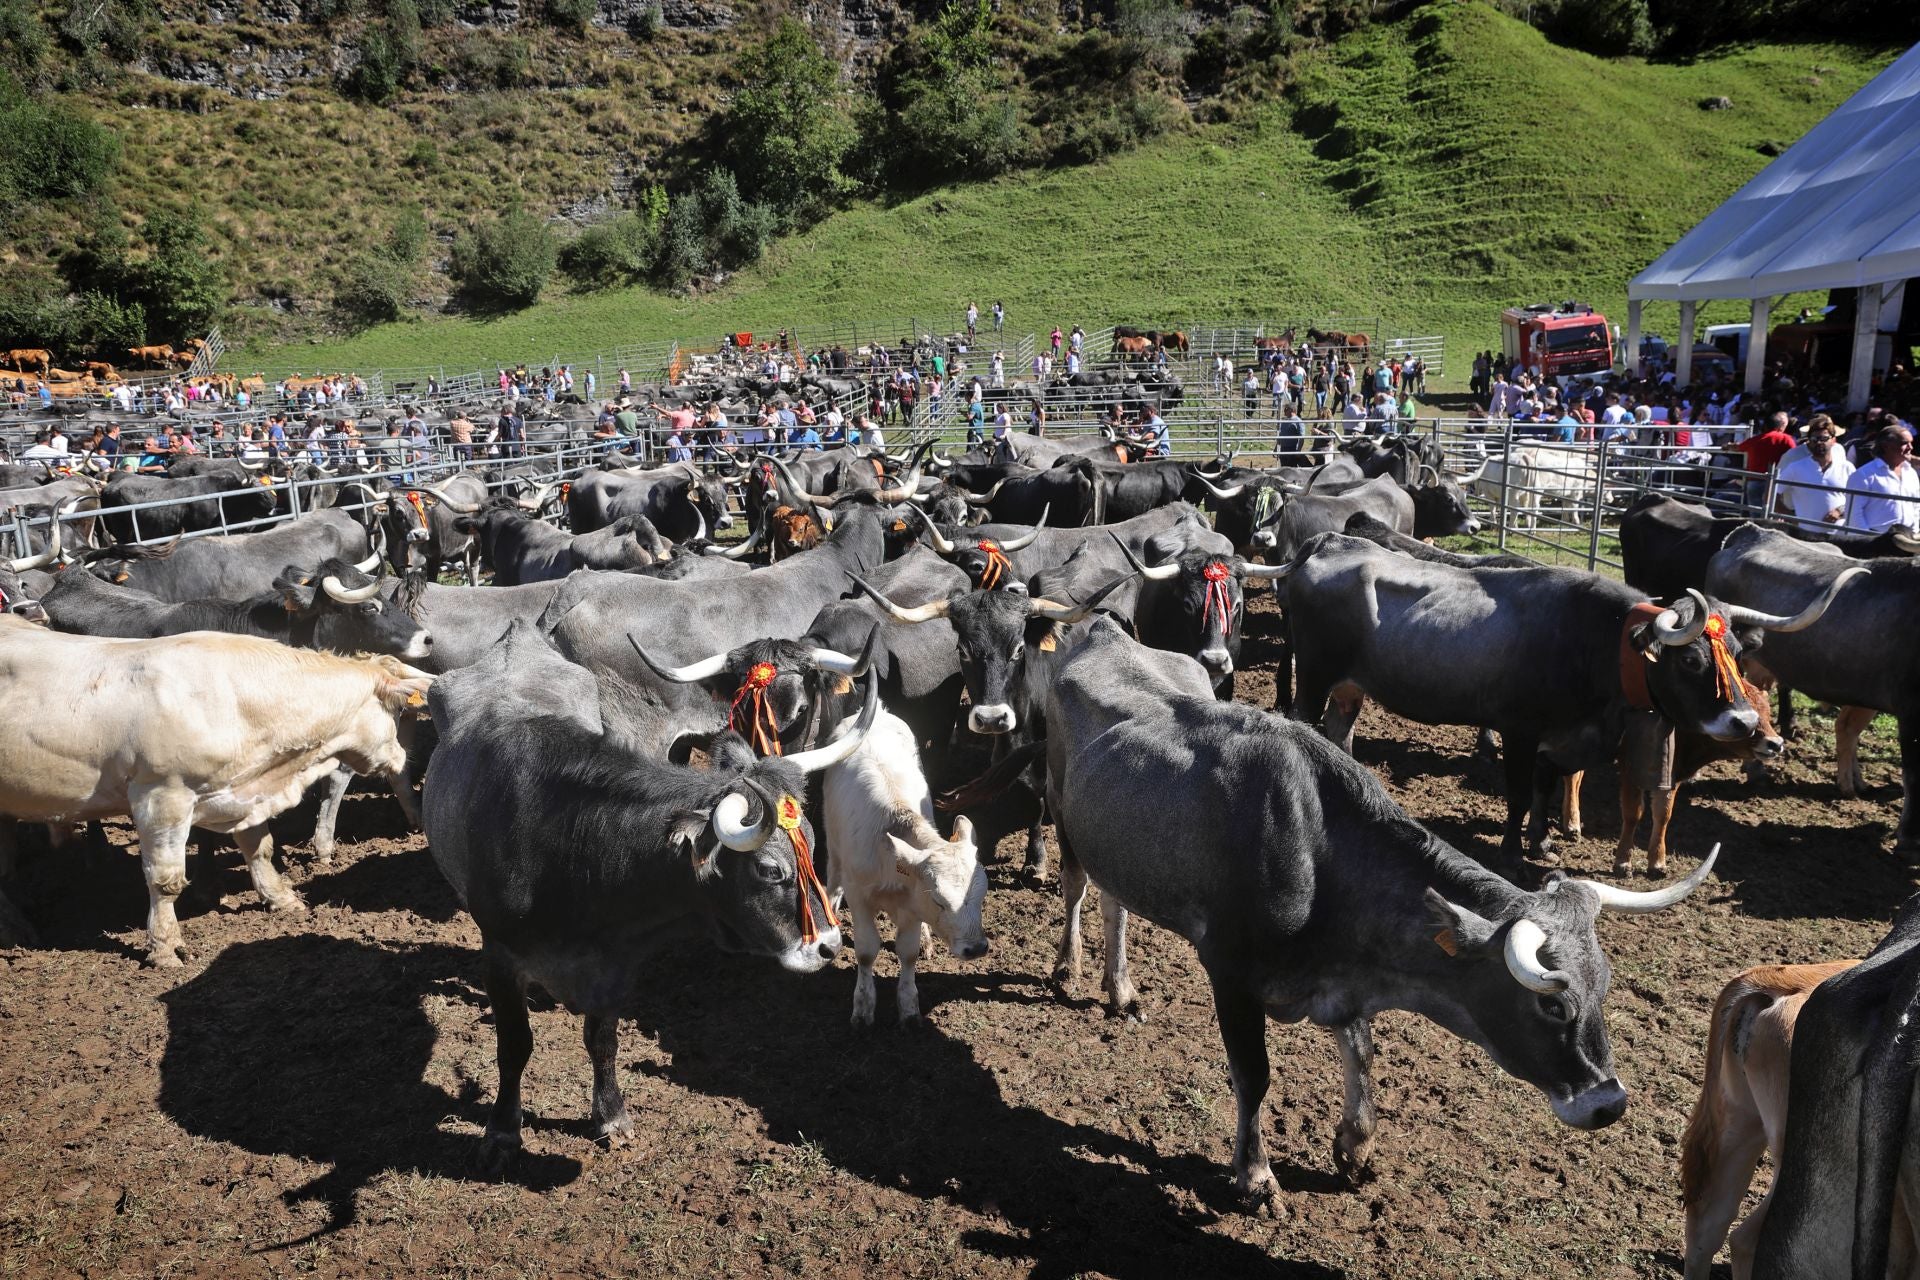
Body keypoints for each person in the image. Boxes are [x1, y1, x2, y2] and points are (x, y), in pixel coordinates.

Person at [1775, 418, 1855, 530]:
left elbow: (1858, 499)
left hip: (1838, 536)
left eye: (1824, 438)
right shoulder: (1796, 467)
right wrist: (1789, 517)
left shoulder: (1847, 467)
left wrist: (1839, 511)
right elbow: (1771, 494)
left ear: (1833, 440)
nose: (1818, 442)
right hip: (1804, 536)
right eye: (1814, 439)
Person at [1849, 424, 1920, 533]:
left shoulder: (1911, 473)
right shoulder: (1864, 474)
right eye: (1905, 443)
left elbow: (1916, 506)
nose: (1910, 447)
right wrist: (1867, 539)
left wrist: (1914, 532)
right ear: (1886, 446)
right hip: (1876, 540)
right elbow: (1854, 513)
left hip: (1907, 539)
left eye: (1911, 443)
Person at [1735, 411, 1799, 509]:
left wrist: (1728, 446)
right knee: (1772, 511)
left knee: (1755, 513)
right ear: (1780, 426)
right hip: (1773, 482)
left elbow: (1740, 447)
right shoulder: (1786, 439)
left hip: (1754, 480)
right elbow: (1795, 454)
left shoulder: (1756, 439)